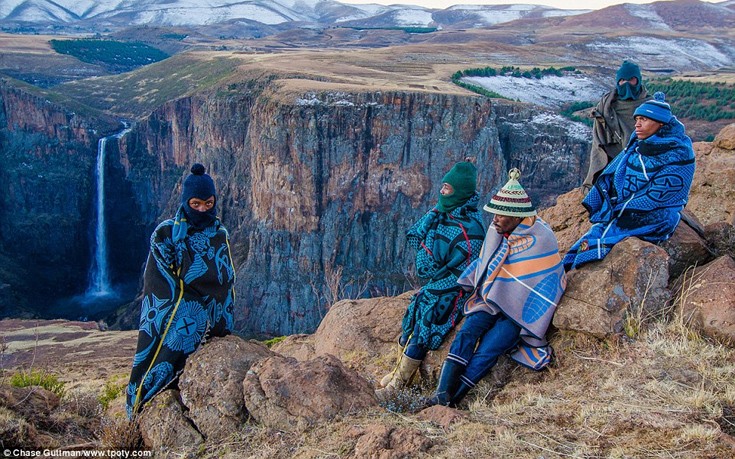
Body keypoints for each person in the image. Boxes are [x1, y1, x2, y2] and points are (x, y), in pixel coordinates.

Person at [427, 168, 567, 407]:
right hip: (492, 297)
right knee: (468, 332)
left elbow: (544, 280)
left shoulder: (540, 238)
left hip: (520, 311)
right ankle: (441, 394)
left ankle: (454, 400)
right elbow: (487, 267)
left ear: (516, 216)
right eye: (495, 214)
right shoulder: (497, 232)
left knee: (489, 349)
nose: (495, 219)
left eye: (501, 215)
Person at [126, 163, 236, 417]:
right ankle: (143, 403)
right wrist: (192, 306)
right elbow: (158, 281)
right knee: (161, 356)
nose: (202, 210)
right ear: (186, 201)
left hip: (213, 319)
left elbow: (227, 278)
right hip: (178, 317)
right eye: (195, 204)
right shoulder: (166, 234)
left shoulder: (220, 233)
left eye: (208, 204)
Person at [376, 160, 485, 398]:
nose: (442, 192)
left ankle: (399, 385)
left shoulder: (472, 228)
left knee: (424, 329)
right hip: (436, 283)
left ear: (460, 192)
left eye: (447, 188)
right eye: (443, 186)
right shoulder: (442, 216)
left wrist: (440, 281)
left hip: (455, 290)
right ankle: (397, 372)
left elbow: (466, 268)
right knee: (410, 323)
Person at [564, 92, 695, 271]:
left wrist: (622, 209)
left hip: (656, 214)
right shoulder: (637, 145)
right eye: (637, 119)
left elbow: (662, 194)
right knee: (592, 236)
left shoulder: (679, 153)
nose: (637, 125)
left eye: (644, 119)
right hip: (625, 208)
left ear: (660, 123)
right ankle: (568, 269)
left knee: (607, 235)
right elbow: (615, 174)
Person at [582, 60, 651, 193]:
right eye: (622, 80)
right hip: (613, 157)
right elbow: (599, 137)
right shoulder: (607, 104)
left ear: (638, 80)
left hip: (644, 159)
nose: (626, 84)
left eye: (631, 80)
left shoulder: (650, 105)